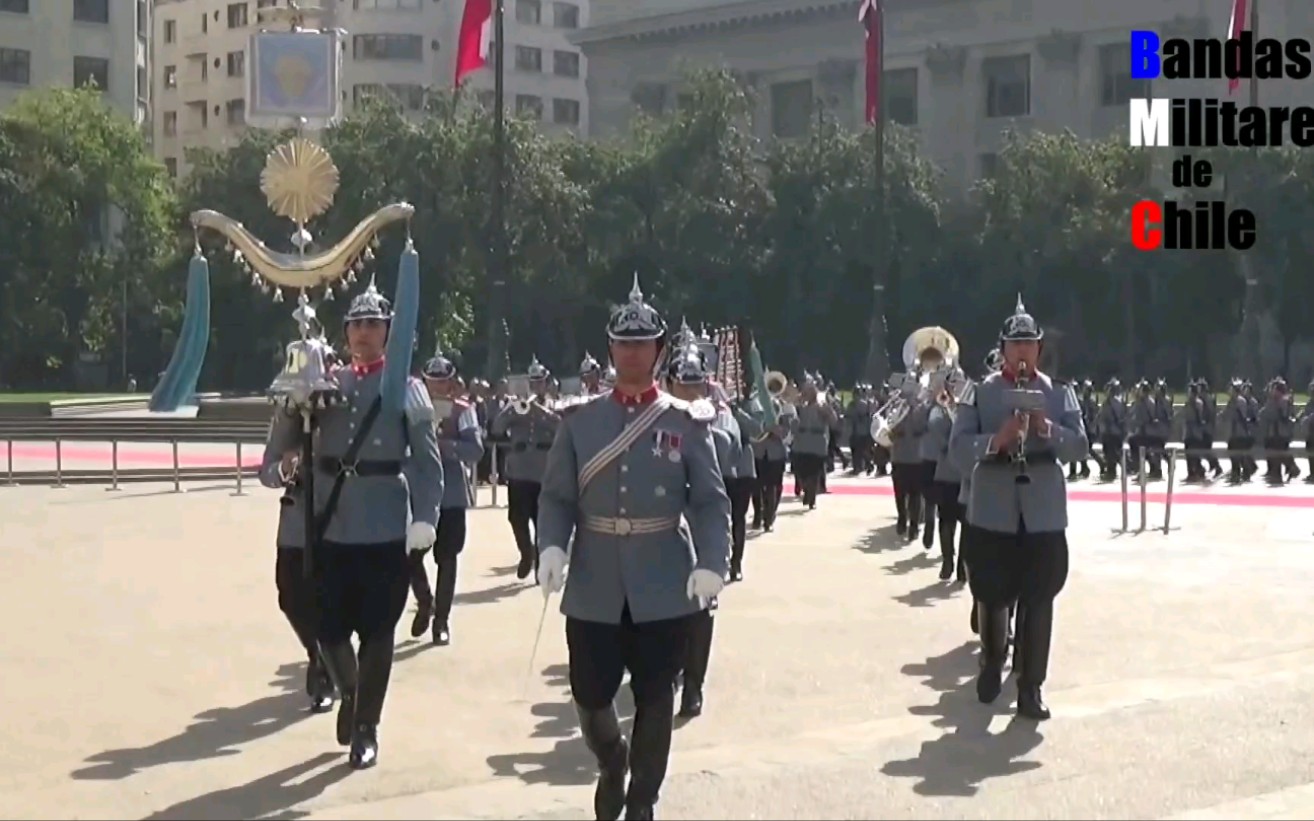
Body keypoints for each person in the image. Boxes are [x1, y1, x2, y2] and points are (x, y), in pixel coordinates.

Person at [537, 275, 730, 821]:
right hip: (595, 579)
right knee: (590, 694)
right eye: (623, 343)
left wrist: (714, 561)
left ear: (659, 351)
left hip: (663, 578)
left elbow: (712, 501)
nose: (631, 353)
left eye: (642, 344)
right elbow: (555, 496)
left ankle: (644, 796)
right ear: (610, 349)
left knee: (655, 696)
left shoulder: (685, 422)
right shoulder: (581, 421)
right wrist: (551, 545)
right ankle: (611, 759)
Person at [262, 279, 443, 768]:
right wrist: (287, 457)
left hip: (385, 524)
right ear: (344, 334)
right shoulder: (324, 384)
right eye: (356, 324)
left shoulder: (407, 387)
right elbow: (274, 452)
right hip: (331, 525)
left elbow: (427, 464)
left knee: (380, 631)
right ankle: (351, 690)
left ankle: (367, 727)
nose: (364, 333)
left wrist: (425, 518)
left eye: (374, 325)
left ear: (390, 332)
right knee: (329, 627)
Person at [950, 295, 1087, 720]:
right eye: (1015, 345)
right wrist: (997, 440)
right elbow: (957, 450)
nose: (1023, 352)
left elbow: (1081, 445)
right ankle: (993, 658)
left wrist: (1049, 430)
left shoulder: (1059, 394)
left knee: (1040, 596)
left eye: (1030, 345)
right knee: (990, 591)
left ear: (1039, 349)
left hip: (1043, 507)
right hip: (993, 505)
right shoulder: (980, 394)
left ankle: (1031, 686)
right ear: (1003, 349)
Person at [259, 411, 336, 715]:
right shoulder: (286, 417)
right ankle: (317, 654)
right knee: (289, 595)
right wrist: (284, 467)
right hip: (295, 519)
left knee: (329, 597)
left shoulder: (341, 408)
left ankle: (325, 674)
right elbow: (267, 469)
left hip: (336, 514)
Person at [409, 346, 484, 646]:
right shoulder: (412, 409)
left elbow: (475, 449)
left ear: (452, 382)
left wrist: (445, 447)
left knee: (448, 558)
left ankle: (441, 619)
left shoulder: (463, 410)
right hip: (418, 491)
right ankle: (424, 600)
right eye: (432, 380)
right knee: (409, 555)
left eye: (443, 381)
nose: (437, 386)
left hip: (451, 492)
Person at [491, 357, 561, 579]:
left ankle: (541, 561)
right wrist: (512, 409)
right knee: (516, 517)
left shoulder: (554, 404)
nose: (536, 386)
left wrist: (538, 410)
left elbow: (560, 425)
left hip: (543, 470)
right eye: (533, 382)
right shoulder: (517, 405)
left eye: (540, 381)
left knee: (541, 518)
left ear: (546, 382)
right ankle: (526, 552)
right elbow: (497, 427)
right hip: (519, 470)